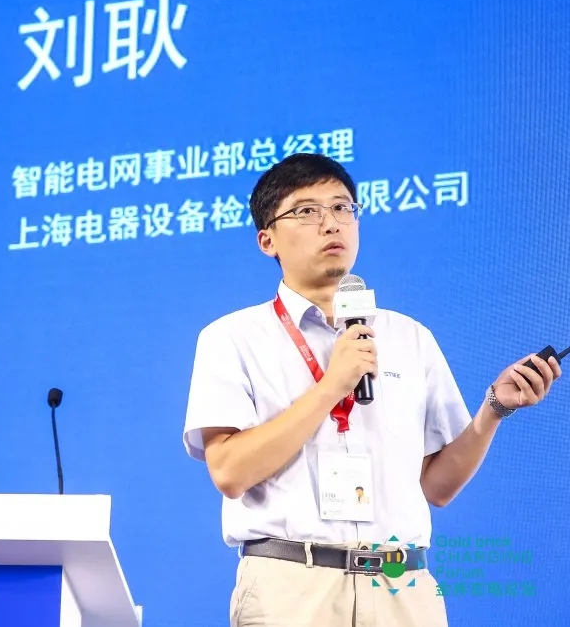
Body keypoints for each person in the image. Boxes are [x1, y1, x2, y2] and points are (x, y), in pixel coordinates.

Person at [181, 153, 561, 626]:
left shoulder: (409, 337)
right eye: (307, 211)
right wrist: (332, 385)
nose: (331, 223)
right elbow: (230, 471)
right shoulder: (233, 337)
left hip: (403, 586)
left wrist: (495, 408)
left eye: (343, 208)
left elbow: (438, 487)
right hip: (293, 586)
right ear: (267, 240)